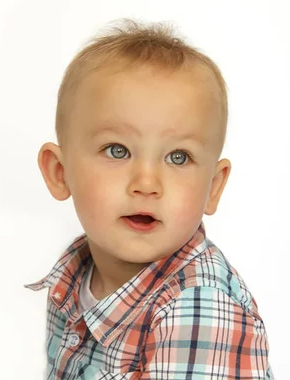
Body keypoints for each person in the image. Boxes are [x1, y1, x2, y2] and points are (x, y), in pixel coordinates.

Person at [25, 19, 274, 379]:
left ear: (214, 187)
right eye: (117, 150)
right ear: (59, 172)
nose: (147, 183)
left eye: (178, 157)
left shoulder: (199, 307)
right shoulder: (74, 276)